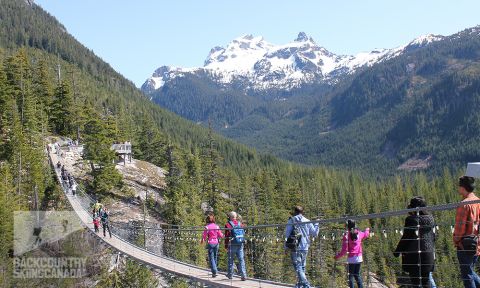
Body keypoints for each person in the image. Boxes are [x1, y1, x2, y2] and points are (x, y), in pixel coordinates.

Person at [394, 196, 435, 287]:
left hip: (414, 256)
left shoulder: (411, 220)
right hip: (428, 254)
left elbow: (406, 237)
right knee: (426, 282)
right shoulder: (431, 219)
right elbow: (433, 236)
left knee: (415, 283)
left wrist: (397, 251)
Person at [454, 176, 480, 288]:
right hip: (477, 243)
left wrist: (456, 240)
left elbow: (460, 227)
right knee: (470, 271)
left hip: (465, 245)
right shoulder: (478, 201)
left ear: (463, 188)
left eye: (459, 186)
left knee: (467, 275)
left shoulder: (464, 204)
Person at [285, 206, 320, 288]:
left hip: (295, 247)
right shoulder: (307, 221)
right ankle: (300, 285)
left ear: (295, 212)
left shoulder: (291, 220)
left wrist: (286, 247)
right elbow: (315, 233)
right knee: (302, 267)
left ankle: (306, 285)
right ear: (302, 212)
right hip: (305, 247)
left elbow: (287, 234)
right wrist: (317, 223)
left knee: (298, 267)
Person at [334, 219, 370, 288]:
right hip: (359, 257)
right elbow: (366, 234)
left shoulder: (346, 236)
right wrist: (367, 229)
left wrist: (337, 256)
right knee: (357, 275)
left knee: (350, 276)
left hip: (351, 258)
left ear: (347, 227)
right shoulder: (359, 233)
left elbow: (344, 251)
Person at [224, 211, 247, 280]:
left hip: (232, 244)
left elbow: (227, 236)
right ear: (236, 217)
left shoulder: (228, 225)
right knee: (241, 259)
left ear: (230, 217)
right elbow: (243, 233)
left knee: (231, 259)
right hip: (240, 244)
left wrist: (226, 246)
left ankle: (230, 275)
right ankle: (243, 275)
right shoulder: (240, 224)